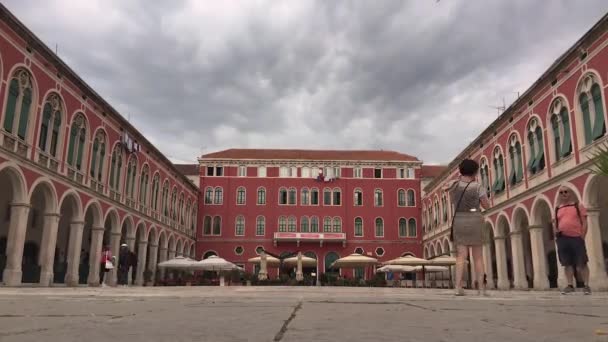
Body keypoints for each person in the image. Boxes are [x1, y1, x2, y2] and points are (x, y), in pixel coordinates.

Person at [443, 159, 491, 296]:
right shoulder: (478, 187)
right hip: (475, 218)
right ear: (475, 172)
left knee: (460, 257)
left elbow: (446, 189)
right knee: (478, 257)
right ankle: (481, 289)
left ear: (461, 171)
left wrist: (457, 179)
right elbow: (486, 205)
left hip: (459, 219)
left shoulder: (454, 186)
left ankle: (458, 287)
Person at [553, 186, 591, 295]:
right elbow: (555, 223)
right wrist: (556, 233)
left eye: (566, 192)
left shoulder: (578, 206)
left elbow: (584, 222)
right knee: (566, 263)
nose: (563, 194)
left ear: (570, 193)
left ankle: (586, 285)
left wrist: (582, 236)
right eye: (561, 192)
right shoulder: (557, 209)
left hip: (576, 237)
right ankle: (570, 285)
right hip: (562, 239)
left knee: (582, 262)